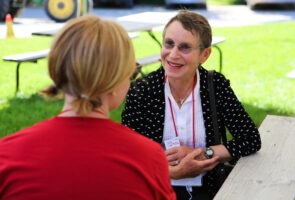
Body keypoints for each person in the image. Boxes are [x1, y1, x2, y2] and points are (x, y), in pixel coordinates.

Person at [0, 15, 176, 200]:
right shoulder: (149, 158)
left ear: (57, 71)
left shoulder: (7, 154)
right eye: (131, 73)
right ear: (115, 82)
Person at [122, 10, 261, 200]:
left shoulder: (214, 85)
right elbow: (128, 157)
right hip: (157, 190)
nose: (173, 54)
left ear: (205, 54)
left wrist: (204, 153)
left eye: (185, 47)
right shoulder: (143, 91)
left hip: (210, 190)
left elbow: (250, 139)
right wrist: (172, 173)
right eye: (169, 44)